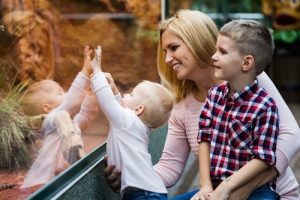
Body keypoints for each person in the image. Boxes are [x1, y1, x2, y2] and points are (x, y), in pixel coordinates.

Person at [106, 9, 300, 200]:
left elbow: (292, 133)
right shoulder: (181, 106)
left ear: (196, 40)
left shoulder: (246, 76)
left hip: (274, 193)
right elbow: (170, 166)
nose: (167, 59)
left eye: (174, 48)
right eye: (165, 51)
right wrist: (133, 176)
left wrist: (242, 187)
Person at [192, 20, 279, 200]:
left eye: (222, 52)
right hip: (214, 185)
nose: (214, 56)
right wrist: (205, 185)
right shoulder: (214, 95)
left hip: (255, 190)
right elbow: (204, 138)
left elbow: (263, 158)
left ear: (246, 63)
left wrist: (227, 187)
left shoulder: (265, 106)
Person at [89, 46, 174, 199]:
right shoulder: (135, 126)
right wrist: (115, 91)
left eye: (131, 94)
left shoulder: (128, 123)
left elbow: (107, 102)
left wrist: (97, 71)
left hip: (143, 195)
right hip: (150, 192)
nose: (125, 95)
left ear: (138, 109)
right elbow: (118, 108)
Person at [21, 46, 99, 189]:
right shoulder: (51, 120)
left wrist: (90, 96)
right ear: (47, 108)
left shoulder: (69, 122)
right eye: (59, 92)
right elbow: (71, 102)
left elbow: (86, 115)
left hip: (61, 179)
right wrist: (84, 72)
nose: (66, 93)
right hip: (43, 184)